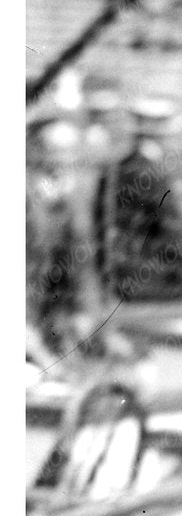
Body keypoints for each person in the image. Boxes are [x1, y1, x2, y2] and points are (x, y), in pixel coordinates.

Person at [94, 96, 182, 302]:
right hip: (150, 277)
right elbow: (169, 226)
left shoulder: (119, 167)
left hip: (126, 272)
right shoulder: (149, 171)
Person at [26, 117, 98, 352]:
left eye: (68, 153)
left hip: (59, 308)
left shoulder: (75, 196)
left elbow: (83, 263)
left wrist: (83, 310)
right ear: (37, 152)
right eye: (55, 152)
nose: (62, 161)